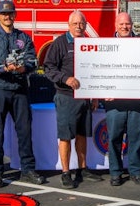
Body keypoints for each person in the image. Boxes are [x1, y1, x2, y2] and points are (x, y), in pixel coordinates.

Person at [0, 0, 45, 188]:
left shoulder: (23, 37)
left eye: (10, 14)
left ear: (14, 15)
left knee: (24, 132)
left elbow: (34, 60)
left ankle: (28, 169)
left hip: (20, 90)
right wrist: (5, 68)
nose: (7, 17)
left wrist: (24, 67)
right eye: (4, 14)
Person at [44, 10, 104, 189]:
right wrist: (65, 79)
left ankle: (82, 168)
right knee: (65, 136)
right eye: (75, 23)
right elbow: (48, 67)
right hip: (66, 96)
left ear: (86, 25)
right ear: (69, 25)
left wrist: (94, 97)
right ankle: (65, 172)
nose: (79, 27)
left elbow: (95, 71)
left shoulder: (88, 43)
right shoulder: (60, 43)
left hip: (84, 98)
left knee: (82, 135)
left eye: (82, 24)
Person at [103, 12, 140, 186]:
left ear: (132, 25)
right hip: (114, 101)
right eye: (121, 24)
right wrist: (102, 91)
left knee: (136, 138)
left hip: (136, 100)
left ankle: (135, 171)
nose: (124, 27)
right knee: (114, 137)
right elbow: (100, 71)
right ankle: (115, 172)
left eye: (127, 24)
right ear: (115, 25)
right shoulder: (107, 46)